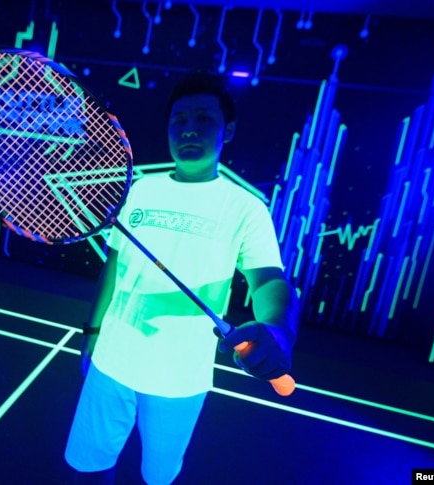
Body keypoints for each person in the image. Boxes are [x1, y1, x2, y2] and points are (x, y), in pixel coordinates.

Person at [64, 71, 299, 485]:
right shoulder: (139, 189)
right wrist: (92, 331)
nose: (189, 129)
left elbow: (267, 282)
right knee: (88, 468)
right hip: (110, 365)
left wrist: (278, 330)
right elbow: (115, 268)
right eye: (179, 121)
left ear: (228, 131)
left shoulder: (246, 209)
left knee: (158, 478)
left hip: (179, 381)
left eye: (204, 119)